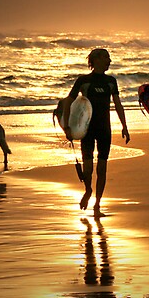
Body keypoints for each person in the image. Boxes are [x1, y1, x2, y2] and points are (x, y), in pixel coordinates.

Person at [62, 48, 130, 216]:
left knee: (102, 168)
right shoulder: (83, 81)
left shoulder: (111, 81)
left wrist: (125, 126)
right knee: (87, 169)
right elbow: (68, 102)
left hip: (104, 129)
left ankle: (98, 205)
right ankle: (88, 190)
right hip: (87, 130)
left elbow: (118, 104)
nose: (110, 61)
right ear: (97, 59)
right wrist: (68, 127)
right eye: (107, 57)